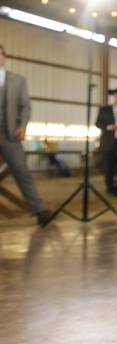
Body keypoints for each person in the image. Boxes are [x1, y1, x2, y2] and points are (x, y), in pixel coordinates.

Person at [0, 45, 51, 224]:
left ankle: (40, 211)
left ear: (4, 56)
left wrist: (23, 126)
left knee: (22, 171)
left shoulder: (17, 80)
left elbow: (25, 106)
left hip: (10, 135)